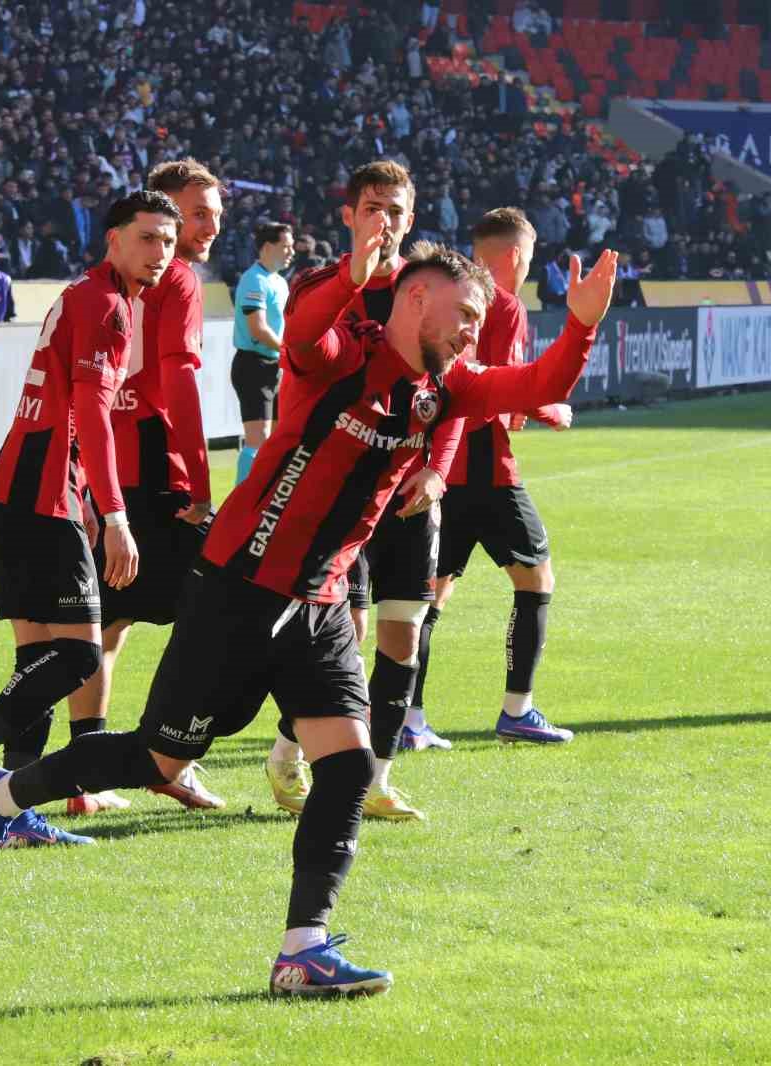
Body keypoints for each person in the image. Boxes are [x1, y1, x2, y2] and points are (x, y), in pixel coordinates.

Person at [0, 236, 620, 999]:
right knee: (155, 762)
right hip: (237, 589)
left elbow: (539, 379)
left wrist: (583, 324)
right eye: (463, 314)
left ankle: (304, 950)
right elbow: (302, 330)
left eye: (479, 319)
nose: (472, 330)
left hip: (322, 602)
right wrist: (347, 275)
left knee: (348, 767)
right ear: (414, 300)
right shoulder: (340, 356)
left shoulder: (447, 389)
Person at [0, 190, 178, 845]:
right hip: (40, 490)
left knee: (35, 662)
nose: (160, 254)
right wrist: (113, 513)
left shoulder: (85, 296)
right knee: (78, 655)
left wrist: (87, 498)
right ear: (112, 239)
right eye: (147, 238)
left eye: (168, 244)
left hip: (22, 483)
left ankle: (8, 809)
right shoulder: (109, 307)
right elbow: (90, 413)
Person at [0, 160, 227, 816]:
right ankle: (165, 760)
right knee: (216, 616)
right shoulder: (176, 280)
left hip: (89, 479)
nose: (204, 227)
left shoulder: (100, 288)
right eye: (196, 213)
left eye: (213, 215)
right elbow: (177, 385)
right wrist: (198, 483)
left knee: (98, 628)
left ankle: (79, 772)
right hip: (149, 477)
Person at [262, 161, 463, 825]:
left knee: (403, 635)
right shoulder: (324, 289)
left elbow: (455, 393)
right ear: (349, 215)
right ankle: (290, 750)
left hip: (409, 491)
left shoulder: (429, 289)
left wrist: (436, 467)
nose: (386, 220)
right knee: (342, 634)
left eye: (397, 209)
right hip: (342, 492)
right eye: (373, 207)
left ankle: (378, 777)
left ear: (413, 214)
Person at [405, 207, 576, 753]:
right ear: (516, 256)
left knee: (428, 597)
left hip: (437, 466)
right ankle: (517, 710)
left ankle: (409, 719)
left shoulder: (441, 299)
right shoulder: (501, 304)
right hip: (483, 467)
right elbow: (494, 386)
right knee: (536, 581)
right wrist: (549, 409)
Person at [231, 221, 296, 485]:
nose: (292, 252)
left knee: (278, 439)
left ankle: (264, 499)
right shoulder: (253, 279)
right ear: (268, 247)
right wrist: (286, 351)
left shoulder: (280, 281)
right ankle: (237, 506)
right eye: (286, 246)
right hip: (253, 365)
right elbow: (257, 328)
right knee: (258, 439)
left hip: (274, 366)